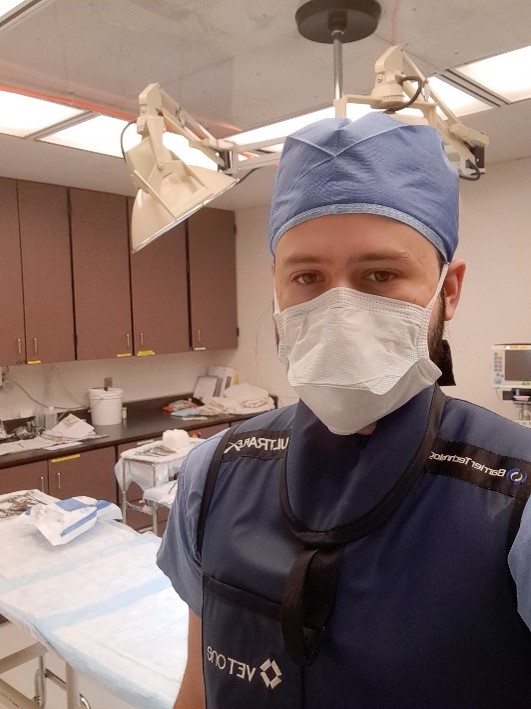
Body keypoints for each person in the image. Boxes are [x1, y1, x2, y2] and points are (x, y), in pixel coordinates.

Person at [157, 111, 531, 708]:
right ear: (276, 291)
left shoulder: (515, 497)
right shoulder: (214, 476)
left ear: (449, 290)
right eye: (306, 277)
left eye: (381, 274)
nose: (340, 312)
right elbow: (199, 688)